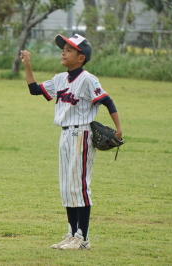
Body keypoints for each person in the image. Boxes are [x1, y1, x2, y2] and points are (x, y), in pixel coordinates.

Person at [20, 34, 122, 250]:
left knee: (80, 187)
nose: (63, 52)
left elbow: (107, 100)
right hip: (65, 135)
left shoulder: (88, 79)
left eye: (69, 49)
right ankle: (71, 234)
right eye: (63, 49)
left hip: (82, 135)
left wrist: (119, 129)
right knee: (67, 187)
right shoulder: (59, 79)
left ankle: (82, 238)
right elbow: (34, 89)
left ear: (81, 57)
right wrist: (28, 65)